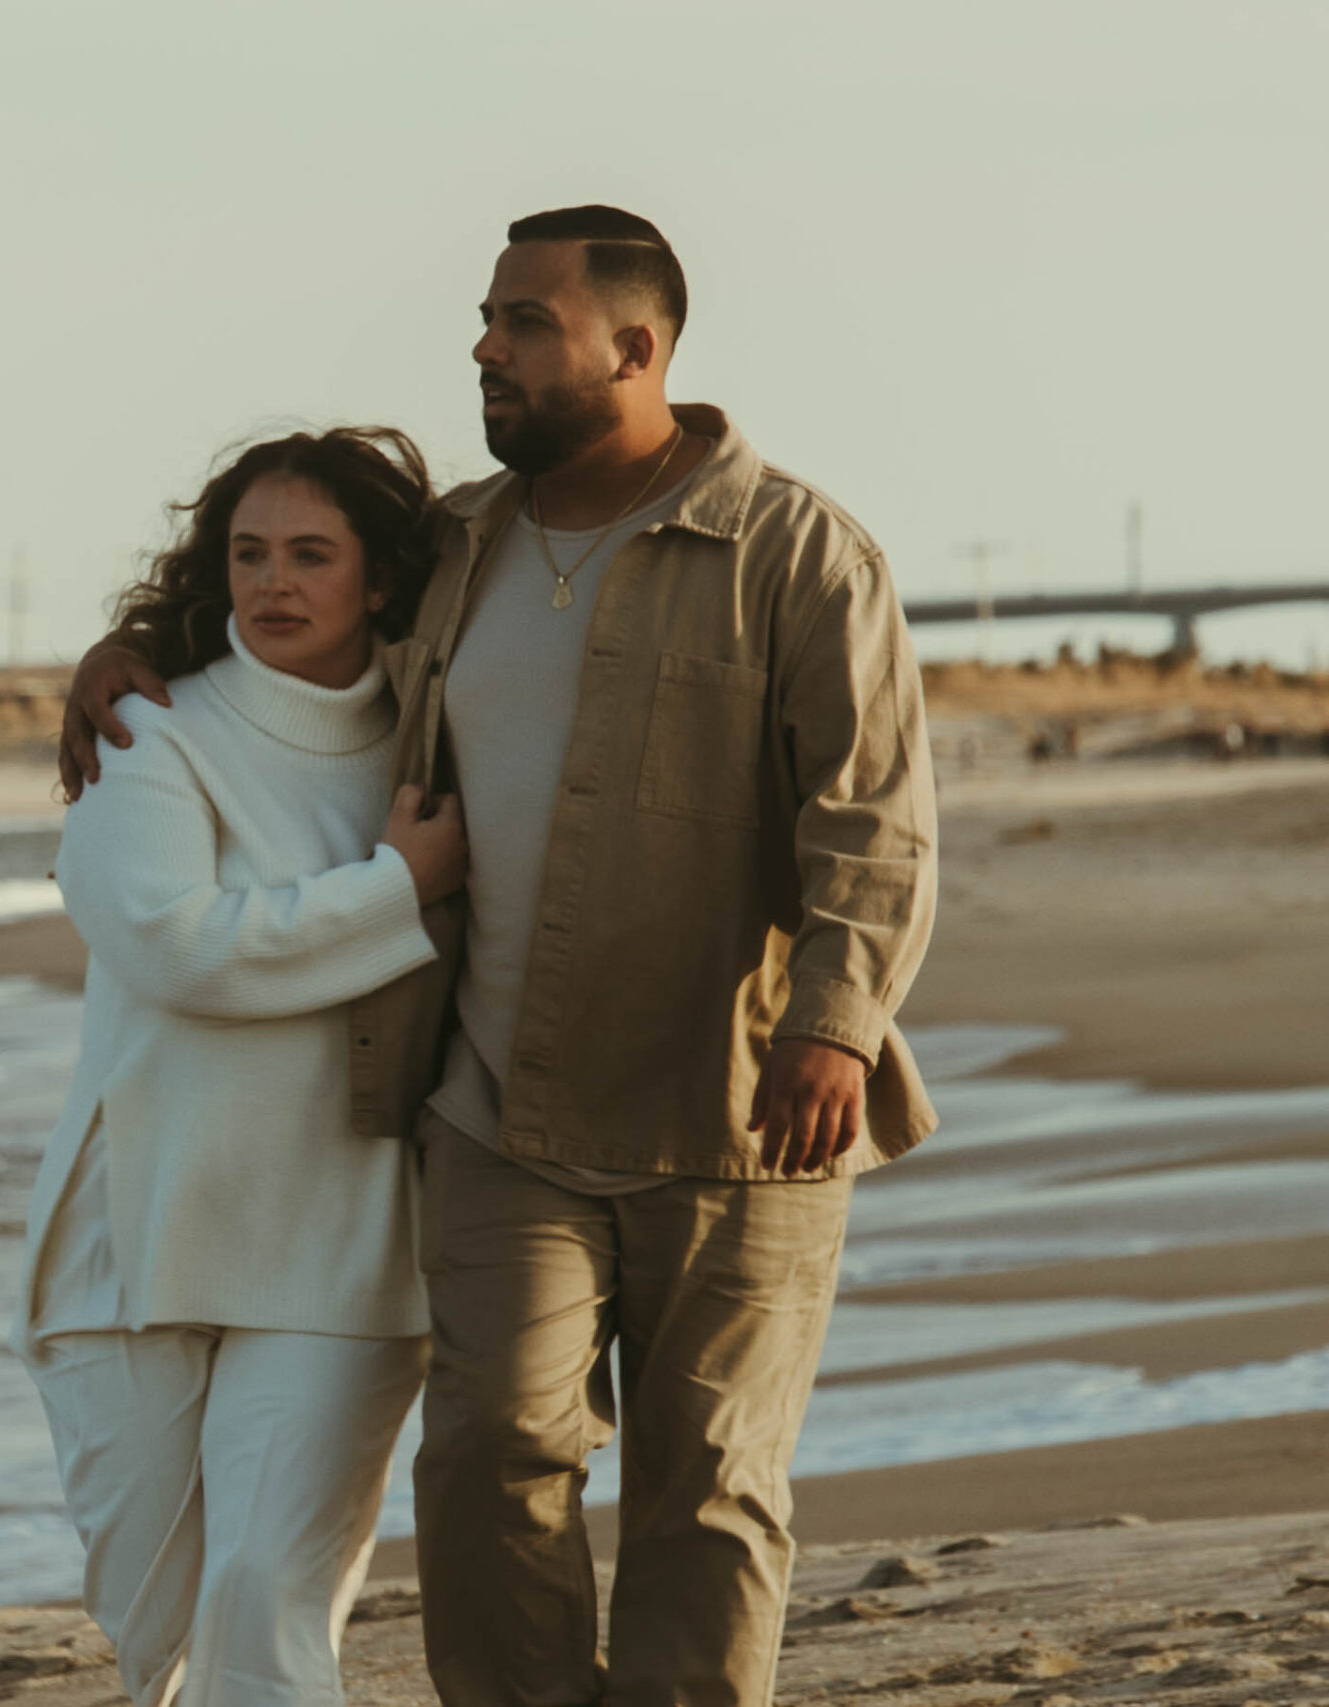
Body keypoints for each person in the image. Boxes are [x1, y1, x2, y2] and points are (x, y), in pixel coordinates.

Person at [58, 207, 939, 1707]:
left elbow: (872, 817)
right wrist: (128, 648)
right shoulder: (455, 544)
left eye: (526, 323)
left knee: (708, 1486)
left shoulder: (796, 550)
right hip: (494, 1113)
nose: (486, 346)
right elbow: (291, 610)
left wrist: (835, 1022)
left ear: (636, 347)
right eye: (487, 318)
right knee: (486, 1459)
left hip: (734, 1110)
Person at [15, 426, 467, 1707]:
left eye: (311, 555)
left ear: (378, 580)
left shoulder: (438, 746)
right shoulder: (150, 730)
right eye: (250, 553)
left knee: (265, 1605)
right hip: (140, 1235)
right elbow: (175, 948)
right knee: (152, 1625)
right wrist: (397, 892)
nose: (274, 582)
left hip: (341, 1236)